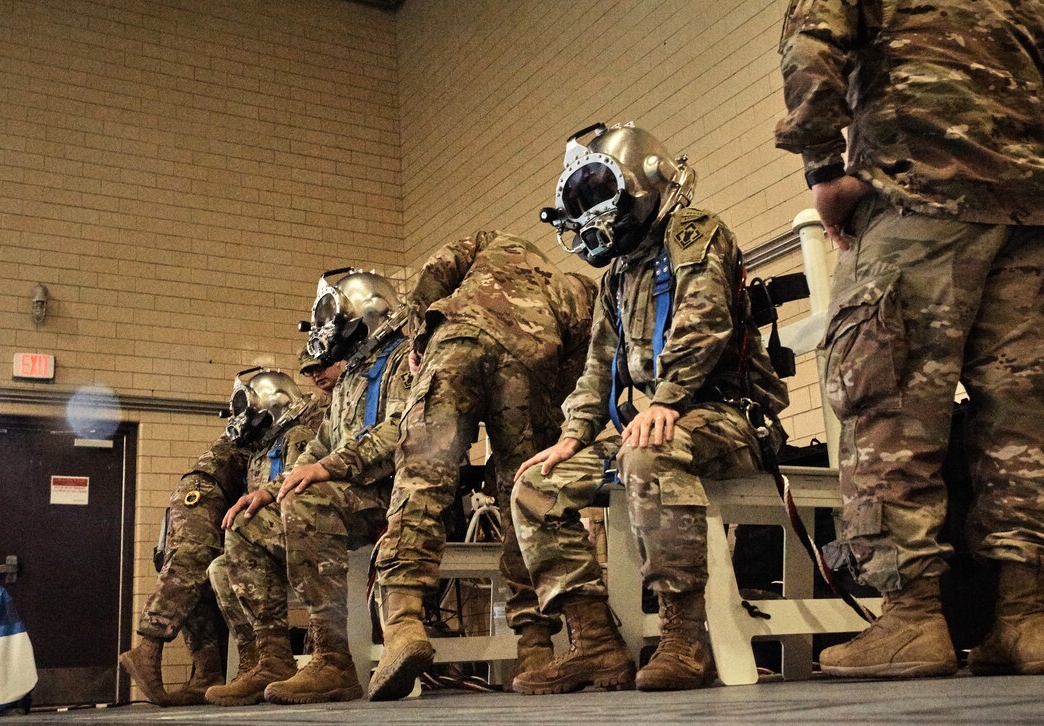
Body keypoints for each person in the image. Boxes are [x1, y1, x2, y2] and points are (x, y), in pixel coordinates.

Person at [775, 0, 1044, 678]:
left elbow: (811, 50)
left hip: (915, 191)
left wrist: (822, 171)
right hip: (1029, 205)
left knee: (887, 402)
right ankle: (1027, 615)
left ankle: (913, 617)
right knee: (1024, 422)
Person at [510, 122, 789, 695]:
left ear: (645, 183)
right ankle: (596, 644)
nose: (592, 216)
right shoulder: (618, 276)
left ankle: (685, 640)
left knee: (647, 453)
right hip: (665, 419)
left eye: (600, 194)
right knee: (537, 484)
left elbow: (705, 320)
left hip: (731, 418)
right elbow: (596, 365)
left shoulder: (697, 233)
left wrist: (665, 399)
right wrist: (572, 435)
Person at [366, 232, 597, 701]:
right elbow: (571, 378)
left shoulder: (497, 243)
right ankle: (536, 645)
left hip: (458, 342)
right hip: (531, 361)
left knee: (423, 481)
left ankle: (405, 623)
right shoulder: (579, 295)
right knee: (522, 495)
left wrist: (420, 334)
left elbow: (438, 265)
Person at [205, 271, 412, 706]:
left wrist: (330, 467)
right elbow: (315, 450)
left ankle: (333, 660)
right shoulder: (352, 376)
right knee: (245, 521)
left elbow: (404, 430)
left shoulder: (404, 358)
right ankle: (272, 659)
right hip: (347, 498)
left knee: (308, 499)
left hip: (394, 497)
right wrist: (270, 488)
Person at [119, 369, 318, 705]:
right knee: (189, 568)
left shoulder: (261, 429)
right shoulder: (270, 428)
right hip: (206, 493)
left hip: (199, 492)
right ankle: (149, 648)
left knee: (198, 574)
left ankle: (206, 674)